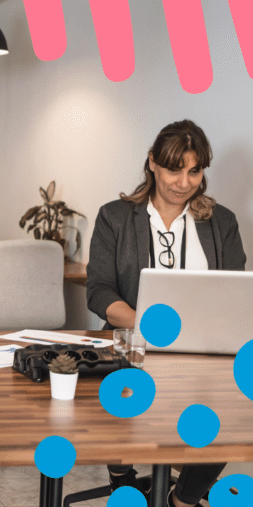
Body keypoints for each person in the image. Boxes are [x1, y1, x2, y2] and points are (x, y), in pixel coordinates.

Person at [87, 119, 243, 507]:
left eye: (195, 171)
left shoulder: (221, 222)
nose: (184, 182)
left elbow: (237, 295)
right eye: (174, 169)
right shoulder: (116, 217)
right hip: (133, 346)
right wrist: (147, 323)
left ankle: (182, 499)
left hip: (204, 352)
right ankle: (121, 477)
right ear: (153, 163)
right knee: (118, 387)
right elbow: (99, 290)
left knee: (233, 399)